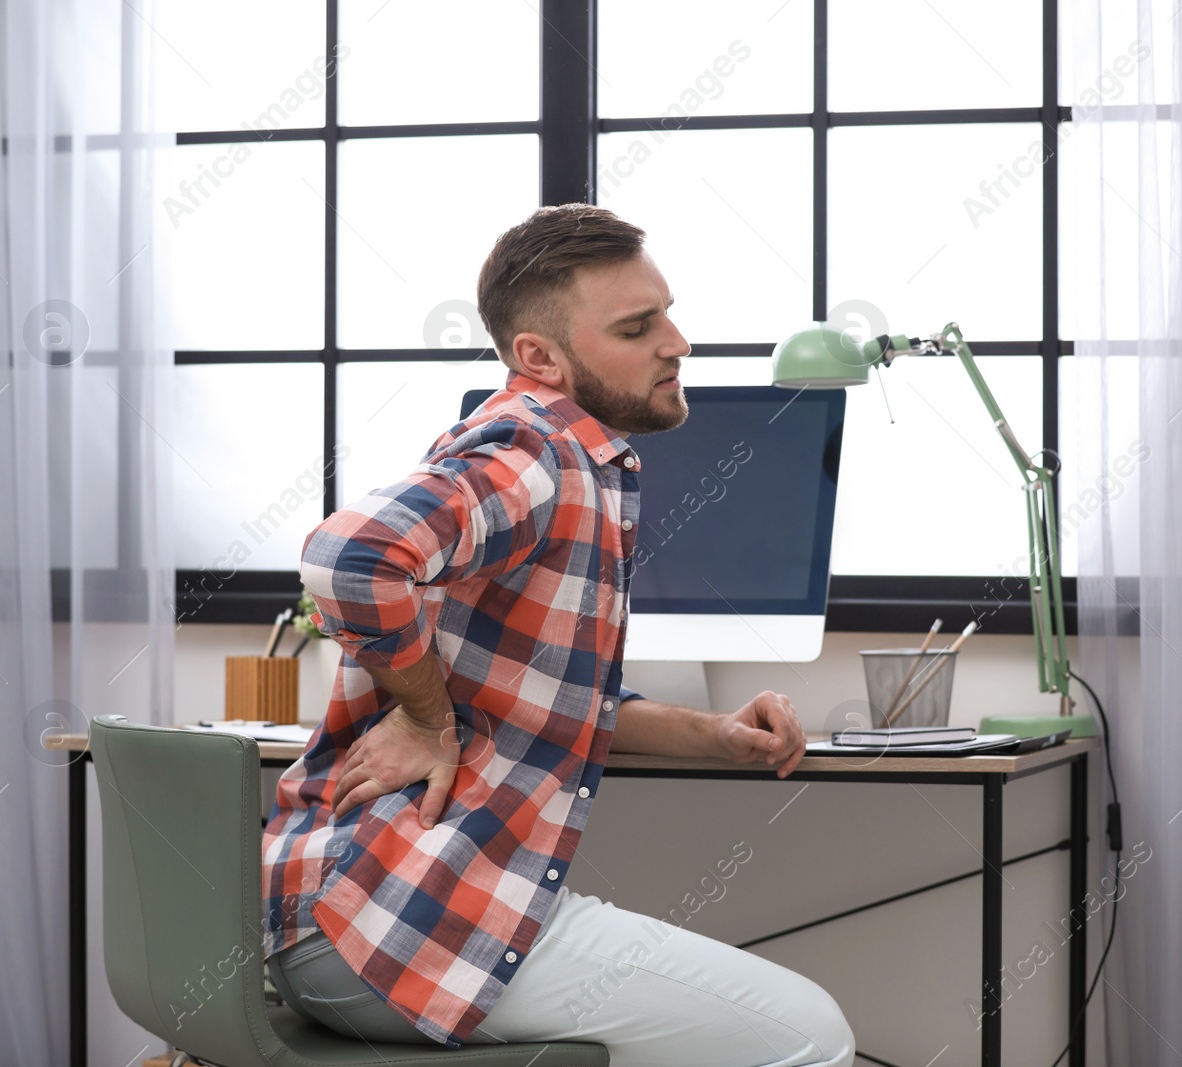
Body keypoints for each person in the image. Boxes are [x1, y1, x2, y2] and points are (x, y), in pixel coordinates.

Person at [263, 203, 855, 1067]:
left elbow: (556, 696)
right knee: (811, 1037)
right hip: (390, 926)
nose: (678, 342)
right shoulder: (539, 449)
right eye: (637, 327)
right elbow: (349, 557)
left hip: (329, 920)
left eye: (668, 313)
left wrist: (713, 734)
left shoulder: (567, 458)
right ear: (539, 357)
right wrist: (428, 718)